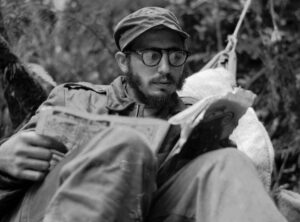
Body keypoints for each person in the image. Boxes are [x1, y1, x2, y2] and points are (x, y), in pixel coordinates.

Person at [0, 6, 287, 222]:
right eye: (152, 56)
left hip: (150, 208)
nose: (165, 68)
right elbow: (18, 167)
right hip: (51, 206)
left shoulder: (193, 115)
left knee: (229, 162)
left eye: (175, 56)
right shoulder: (74, 98)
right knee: (127, 144)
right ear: (124, 62)